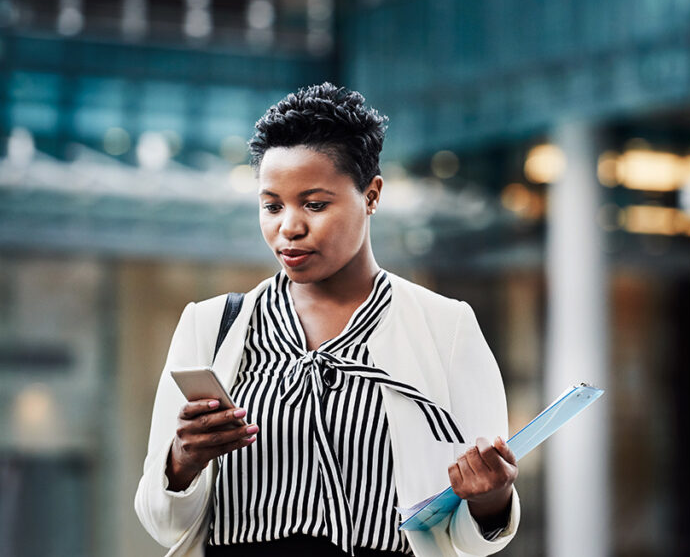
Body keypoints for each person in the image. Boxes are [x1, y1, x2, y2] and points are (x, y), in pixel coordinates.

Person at [136, 84, 520, 557]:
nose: (289, 227)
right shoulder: (210, 326)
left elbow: (465, 536)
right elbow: (161, 522)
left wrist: (492, 499)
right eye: (272, 205)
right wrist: (182, 461)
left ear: (372, 195)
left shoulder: (448, 329)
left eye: (314, 204)